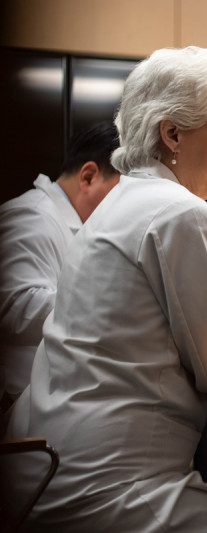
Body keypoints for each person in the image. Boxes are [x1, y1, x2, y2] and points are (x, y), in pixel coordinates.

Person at [3, 47, 207, 532]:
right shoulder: (180, 212)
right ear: (173, 133)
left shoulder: (113, 204)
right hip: (104, 484)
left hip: (42, 468)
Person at [0, 122, 120, 415]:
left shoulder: (74, 224)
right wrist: (110, 304)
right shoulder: (32, 216)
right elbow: (16, 306)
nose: (120, 208)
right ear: (89, 176)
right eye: (117, 195)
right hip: (18, 401)